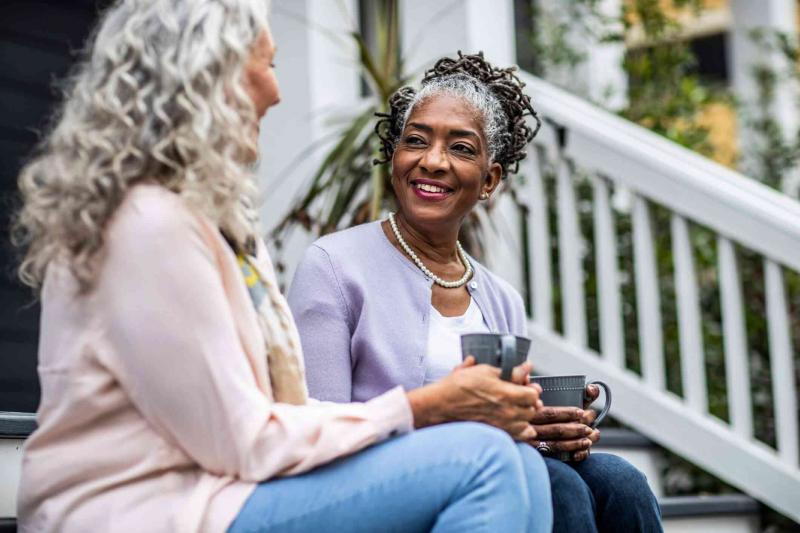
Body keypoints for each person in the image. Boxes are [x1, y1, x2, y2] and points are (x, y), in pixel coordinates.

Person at [11, 3, 553, 532]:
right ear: (210, 76)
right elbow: (242, 441)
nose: (276, 91)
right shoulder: (147, 225)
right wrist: (424, 408)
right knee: (482, 460)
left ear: (491, 179)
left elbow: (271, 415)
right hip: (141, 508)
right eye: (267, 65)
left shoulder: (211, 219)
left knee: (525, 463)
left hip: (218, 490)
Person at [288, 51, 663, 533]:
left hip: (490, 467)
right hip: (378, 484)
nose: (432, 161)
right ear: (394, 157)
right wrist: (473, 423)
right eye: (415, 141)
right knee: (558, 486)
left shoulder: (500, 298)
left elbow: (502, 429)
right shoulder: (334, 266)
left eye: (461, 148)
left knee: (620, 479)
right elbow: (319, 429)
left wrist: (541, 428)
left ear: (489, 180)